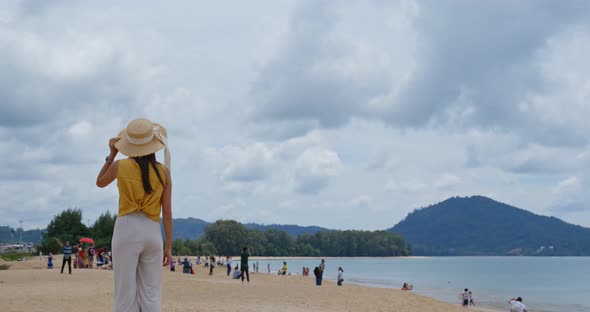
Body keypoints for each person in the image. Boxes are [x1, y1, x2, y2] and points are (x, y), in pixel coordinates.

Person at [96, 118, 173, 311]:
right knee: (151, 294)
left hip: (126, 229)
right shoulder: (164, 172)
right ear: (153, 146)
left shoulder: (120, 166)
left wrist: (112, 154)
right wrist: (169, 246)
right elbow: (168, 212)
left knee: (125, 293)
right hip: (152, 231)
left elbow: (100, 182)